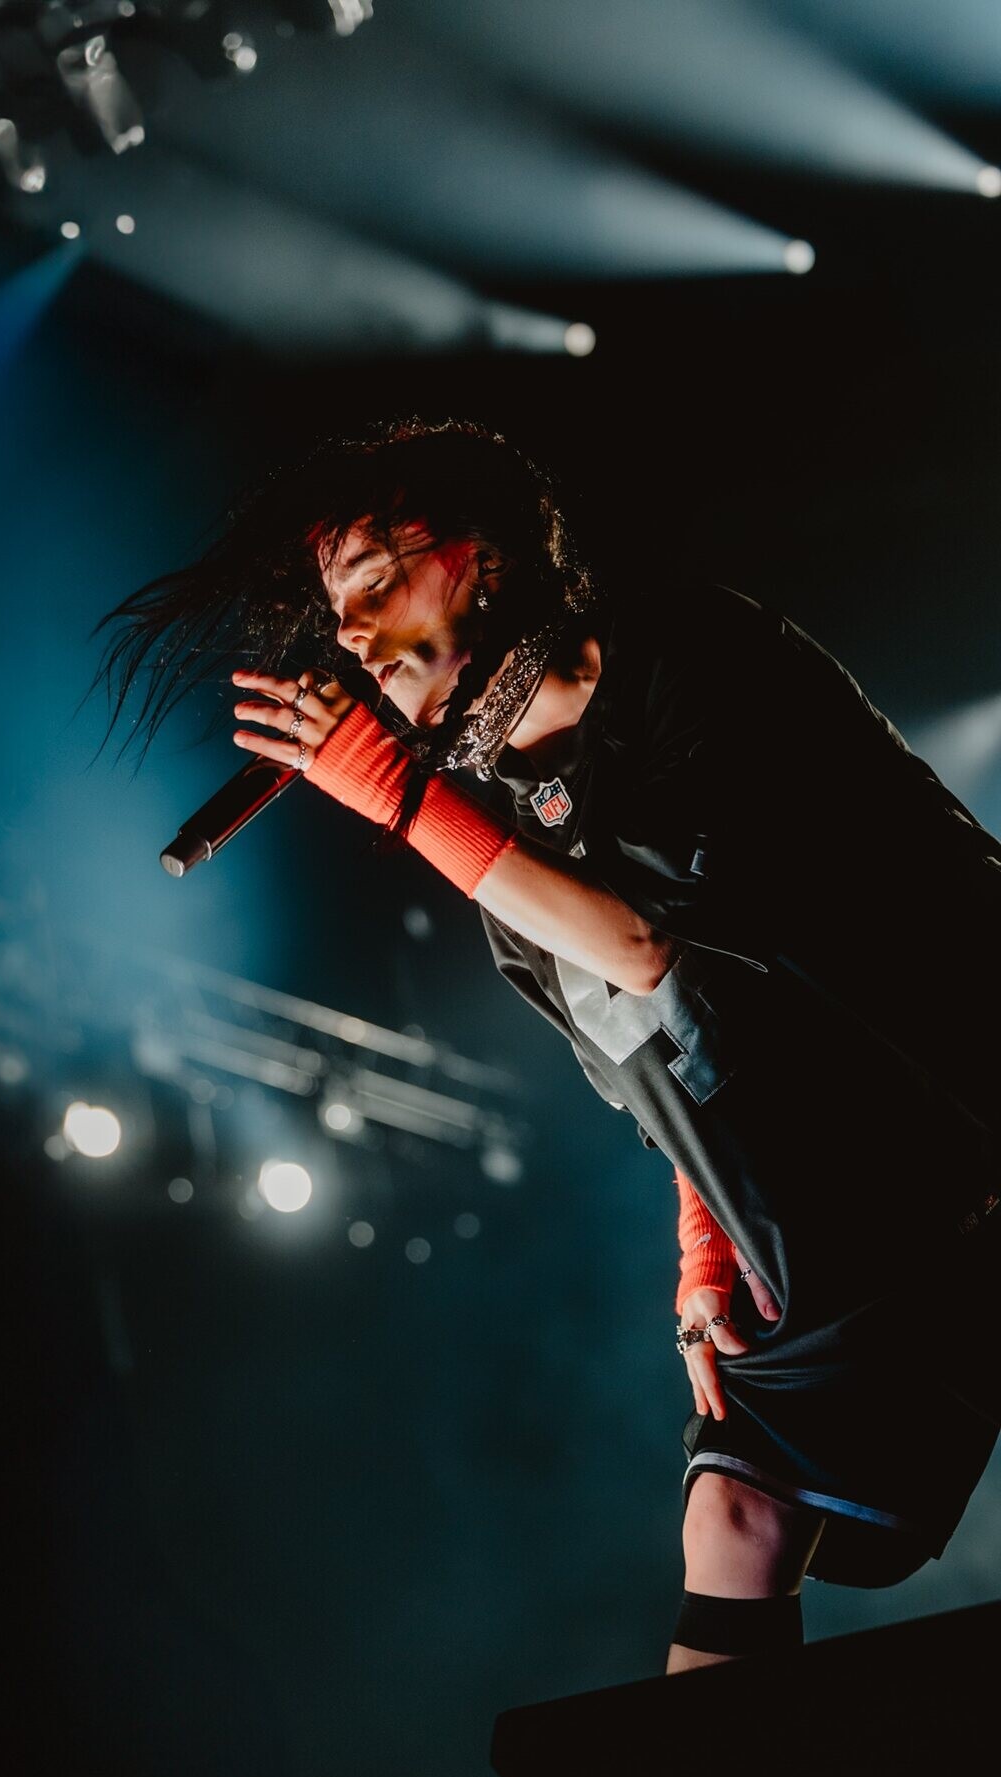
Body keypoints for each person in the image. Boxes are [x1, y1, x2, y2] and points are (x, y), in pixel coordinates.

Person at [90, 416, 1001, 1672]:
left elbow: (655, 951)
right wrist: (704, 1252)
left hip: (955, 1099)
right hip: (843, 1190)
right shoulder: (505, 854)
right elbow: (675, 1064)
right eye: (335, 610)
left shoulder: (689, 661)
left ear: (479, 555)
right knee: (735, 1521)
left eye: (374, 579)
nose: (350, 632)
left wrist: (408, 802)